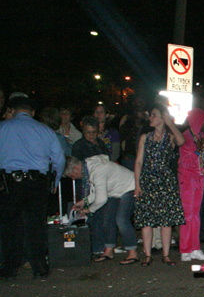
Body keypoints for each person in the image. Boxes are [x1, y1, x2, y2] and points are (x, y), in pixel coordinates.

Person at [0, 96, 65, 279]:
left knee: (11, 226)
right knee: (36, 226)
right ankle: (39, 267)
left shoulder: (3, 128)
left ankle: (9, 268)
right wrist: (55, 182)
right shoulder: (45, 131)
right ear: (33, 113)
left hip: (10, 183)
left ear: (12, 110)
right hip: (37, 183)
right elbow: (59, 161)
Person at [133, 103, 186, 266]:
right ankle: (148, 255)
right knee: (146, 220)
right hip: (148, 180)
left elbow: (181, 141)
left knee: (166, 220)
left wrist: (171, 123)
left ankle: (166, 254)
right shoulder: (145, 137)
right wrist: (137, 184)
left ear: (162, 117)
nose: (150, 118)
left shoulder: (169, 137)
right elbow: (139, 162)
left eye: (154, 115)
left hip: (165, 181)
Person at [63, 155, 139, 264]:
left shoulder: (97, 170)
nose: (73, 178)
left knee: (121, 219)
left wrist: (89, 210)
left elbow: (101, 199)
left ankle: (133, 253)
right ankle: (109, 250)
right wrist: (84, 202)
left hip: (131, 187)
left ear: (75, 169)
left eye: (72, 175)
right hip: (115, 191)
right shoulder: (90, 167)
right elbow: (97, 191)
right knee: (107, 219)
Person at [178, 108, 204, 262]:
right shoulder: (185, 137)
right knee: (187, 214)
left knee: (196, 214)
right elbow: (184, 162)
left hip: (199, 177)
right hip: (187, 178)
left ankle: (195, 247)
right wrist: (199, 150)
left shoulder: (202, 136)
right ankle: (185, 249)